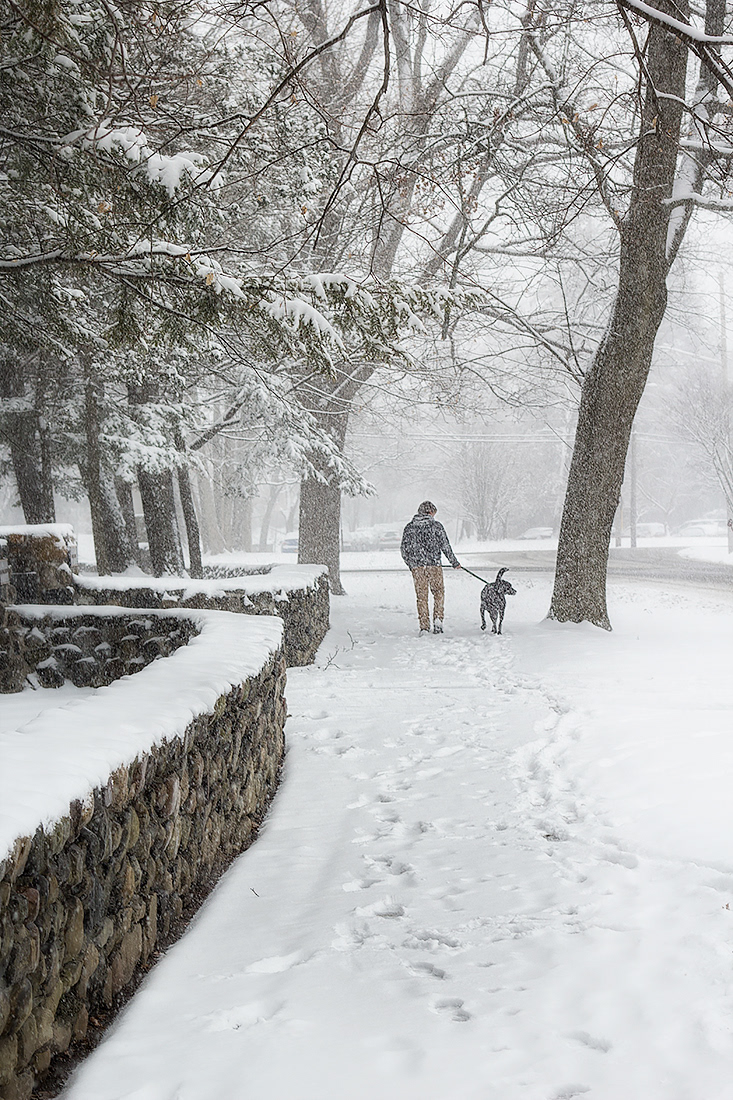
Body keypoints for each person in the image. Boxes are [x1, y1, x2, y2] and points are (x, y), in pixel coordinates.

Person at [401, 501, 461, 635]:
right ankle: (438, 622)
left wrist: (412, 565)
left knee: (421, 597)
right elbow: (445, 546)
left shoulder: (409, 527)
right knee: (438, 593)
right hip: (434, 565)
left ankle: (424, 627)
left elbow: (404, 550)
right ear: (430, 512)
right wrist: (454, 562)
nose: (434, 516)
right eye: (434, 513)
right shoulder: (436, 526)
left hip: (418, 567)